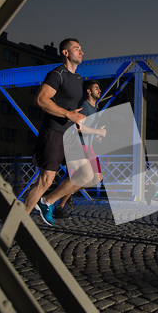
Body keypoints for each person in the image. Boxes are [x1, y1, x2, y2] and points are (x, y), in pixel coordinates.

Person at [24, 38, 87, 226]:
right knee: (46, 180)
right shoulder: (57, 74)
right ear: (66, 53)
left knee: (86, 175)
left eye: (81, 49)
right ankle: (18, 223)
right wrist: (68, 114)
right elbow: (41, 100)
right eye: (77, 49)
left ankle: (47, 202)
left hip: (70, 134)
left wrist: (76, 119)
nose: (81, 52)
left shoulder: (78, 78)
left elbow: (69, 108)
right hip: (54, 132)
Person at [53, 80, 106, 218]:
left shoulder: (95, 108)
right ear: (89, 91)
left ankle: (68, 192)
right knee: (79, 178)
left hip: (89, 146)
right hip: (79, 145)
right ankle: (58, 206)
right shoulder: (85, 107)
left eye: (99, 88)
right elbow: (80, 128)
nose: (99, 90)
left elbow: (90, 130)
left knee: (97, 178)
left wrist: (97, 135)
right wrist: (97, 132)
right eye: (96, 88)